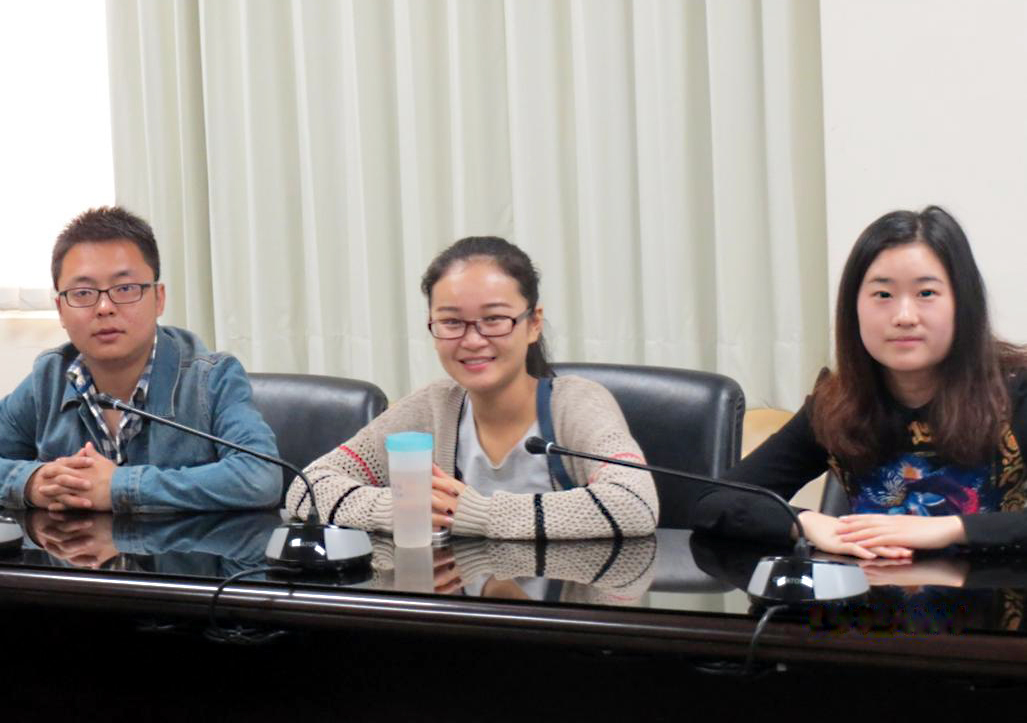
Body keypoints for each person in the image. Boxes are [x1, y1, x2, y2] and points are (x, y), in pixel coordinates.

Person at [691, 206, 1027, 558]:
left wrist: (949, 528)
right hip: (871, 591)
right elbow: (714, 501)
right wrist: (807, 523)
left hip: (995, 590)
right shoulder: (837, 404)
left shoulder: (1014, 392)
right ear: (854, 309)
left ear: (964, 304)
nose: (904, 316)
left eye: (926, 293)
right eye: (883, 295)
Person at [286, 236, 658, 539]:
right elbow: (307, 487)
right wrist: (393, 509)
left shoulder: (577, 403)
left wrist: (477, 514)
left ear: (533, 323)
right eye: (451, 322)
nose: (473, 340)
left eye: (494, 319)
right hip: (457, 602)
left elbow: (634, 503)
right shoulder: (431, 407)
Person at [0, 207, 281, 512]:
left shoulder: (212, 379)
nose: (104, 307)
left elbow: (260, 476)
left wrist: (120, 487)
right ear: (60, 309)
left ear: (159, 299)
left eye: (125, 288)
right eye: (83, 293)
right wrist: (30, 482)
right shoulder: (49, 378)